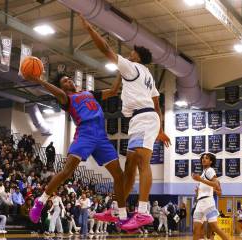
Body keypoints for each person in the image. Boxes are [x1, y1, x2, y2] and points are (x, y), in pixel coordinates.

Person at [80, 15, 171, 230]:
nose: (129, 53)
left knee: (141, 163)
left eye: (132, 52)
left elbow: (105, 50)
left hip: (143, 118)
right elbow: (158, 104)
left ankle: (143, 212)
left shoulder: (133, 67)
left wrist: (89, 28)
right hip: (143, 119)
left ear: (137, 57)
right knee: (129, 167)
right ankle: (118, 211)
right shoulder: (146, 75)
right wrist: (160, 128)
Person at [26, 69, 125, 224]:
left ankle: (120, 214)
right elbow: (56, 92)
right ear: (62, 87)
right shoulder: (66, 98)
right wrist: (39, 80)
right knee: (66, 172)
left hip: (101, 136)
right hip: (84, 134)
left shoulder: (89, 93)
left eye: (69, 79)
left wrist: (121, 72)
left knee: (119, 175)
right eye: (65, 81)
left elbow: (113, 91)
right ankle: (41, 201)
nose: (69, 81)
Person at [192, 153, 228, 240]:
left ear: (211, 161)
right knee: (196, 229)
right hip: (200, 202)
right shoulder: (203, 173)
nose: (204, 159)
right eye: (203, 158)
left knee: (214, 228)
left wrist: (200, 180)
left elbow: (215, 184)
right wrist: (198, 192)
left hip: (208, 202)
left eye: (206, 158)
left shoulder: (210, 170)